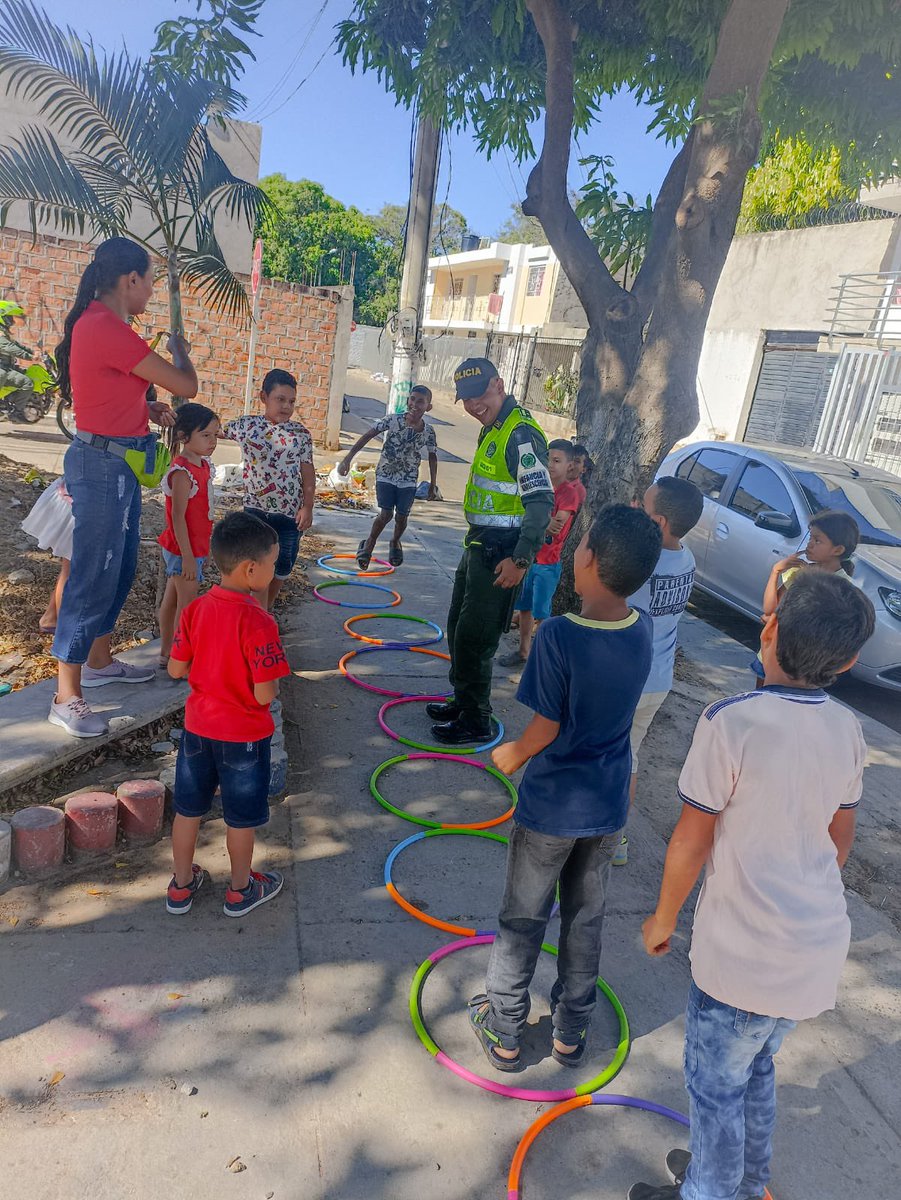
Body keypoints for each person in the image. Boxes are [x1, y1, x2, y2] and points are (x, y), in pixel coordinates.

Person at [632, 571, 876, 1200]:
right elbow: (838, 839)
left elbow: (691, 839)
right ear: (848, 661)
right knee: (757, 1068)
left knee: (713, 1089)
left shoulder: (730, 722)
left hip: (744, 961)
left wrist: (662, 920)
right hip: (815, 950)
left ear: (768, 629)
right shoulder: (848, 729)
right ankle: (742, 1182)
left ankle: (708, 1190)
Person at [468, 505, 662, 1070]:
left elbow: (546, 726)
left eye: (579, 547)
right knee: (584, 918)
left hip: (552, 807)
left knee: (523, 917)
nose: (573, 553)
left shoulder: (557, 636)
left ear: (590, 562)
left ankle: (504, 1028)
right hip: (606, 807)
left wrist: (513, 752)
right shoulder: (643, 628)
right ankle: (570, 1031)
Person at [49, 237, 197, 739]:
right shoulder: (106, 327)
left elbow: (113, 391)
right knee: (94, 570)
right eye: (150, 281)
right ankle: (66, 694)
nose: (152, 290)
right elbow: (187, 386)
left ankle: (99, 660)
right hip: (100, 466)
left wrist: (146, 410)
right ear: (129, 280)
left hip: (118, 463)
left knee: (122, 562)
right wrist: (180, 353)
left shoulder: (103, 326)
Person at [166, 511, 291, 918]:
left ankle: (181, 885)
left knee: (188, 810)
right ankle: (239, 890)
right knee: (240, 818)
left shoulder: (196, 609)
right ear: (250, 569)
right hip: (245, 737)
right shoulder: (259, 621)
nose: (274, 573)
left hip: (198, 729)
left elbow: (175, 669)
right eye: (272, 565)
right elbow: (263, 694)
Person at [427, 358, 554, 745]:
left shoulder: (520, 435)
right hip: (478, 545)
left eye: (479, 395)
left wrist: (520, 560)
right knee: (458, 628)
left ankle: (476, 719)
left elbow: (540, 502)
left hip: (501, 555)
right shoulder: (494, 427)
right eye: (465, 399)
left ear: (499, 384)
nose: (472, 405)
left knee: (477, 638)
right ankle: (463, 700)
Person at [614, 476, 704, 866]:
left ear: (661, 521)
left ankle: (597, 832)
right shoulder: (687, 558)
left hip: (628, 679)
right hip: (659, 677)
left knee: (609, 757)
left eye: (643, 507)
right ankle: (615, 840)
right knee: (629, 755)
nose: (637, 508)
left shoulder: (642, 563)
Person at [224, 368, 315, 613]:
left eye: (292, 401)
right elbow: (212, 431)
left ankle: (265, 613)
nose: (286, 406)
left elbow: (308, 473)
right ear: (264, 397)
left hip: (289, 515)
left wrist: (308, 507)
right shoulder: (247, 426)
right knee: (253, 567)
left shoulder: (300, 435)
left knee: (283, 567)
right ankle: (250, 614)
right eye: (280, 399)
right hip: (255, 512)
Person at [750, 509, 860, 685]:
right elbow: (770, 610)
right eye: (810, 538)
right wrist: (776, 571)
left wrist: (777, 621)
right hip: (770, 653)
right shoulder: (800, 573)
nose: (809, 544)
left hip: (801, 665)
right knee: (761, 700)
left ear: (838, 549)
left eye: (817, 540)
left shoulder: (842, 589)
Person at [499, 439, 583, 669]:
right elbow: (529, 517)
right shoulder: (539, 486)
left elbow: (557, 525)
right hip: (529, 559)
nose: (551, 464)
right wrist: (540, 522)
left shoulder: (568, 494)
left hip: (547, 563)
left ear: (570, 465)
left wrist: (536, 521)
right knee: (524, 608)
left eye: (557, 460)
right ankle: (524, 651)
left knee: (541, 613)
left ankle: (541, 655)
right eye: (548, 459)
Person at [337, 384, 438, 568]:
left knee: (402, 516)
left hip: (408, 479)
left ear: (428, 407)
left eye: (421, 401)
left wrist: (433, 484)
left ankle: (395, 541)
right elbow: (369, 434)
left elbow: (432, 455)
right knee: (385, 514)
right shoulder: (393, 420)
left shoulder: (429, 431)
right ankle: (369, 543)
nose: (415, 404)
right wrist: (347, 458)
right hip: (386, 474)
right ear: (408, 401)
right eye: (412, 399)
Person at [156, 402, 220, 665]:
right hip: (184, 549)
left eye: (216, 434)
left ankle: (167, 653)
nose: (213, 441)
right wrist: (188, 557)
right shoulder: (182, 472)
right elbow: (176, 517)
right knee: (187, 607)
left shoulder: (203, 466)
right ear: (184, 437)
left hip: (193, 547)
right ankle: (181, 658)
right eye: (206, 435)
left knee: (173, 601)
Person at [21, 475, 74, 634]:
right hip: (82, 501)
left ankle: (51, 618)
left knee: (70, 566)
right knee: (73, 569)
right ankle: (67, 639)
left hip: (77, 494)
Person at [0, 300, 35, 399]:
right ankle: (16, 412)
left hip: (7, 366)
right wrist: (30, 357)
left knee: (27, 374)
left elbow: (16, 345)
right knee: (27, 383)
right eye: (9, 317)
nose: (12, 321)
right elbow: (9, 347)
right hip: (2, 369)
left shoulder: (4, 332)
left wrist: (33, 352)